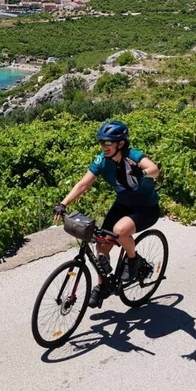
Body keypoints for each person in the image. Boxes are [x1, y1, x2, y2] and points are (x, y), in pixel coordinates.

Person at [54, 120, 162, 308]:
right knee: (101, 246)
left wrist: (141, 173)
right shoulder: (102, 161)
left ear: (120, 143)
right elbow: (83, 184)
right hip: (122, 205)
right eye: (102, 142)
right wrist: (63, 203)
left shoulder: (132, 156)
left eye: (108, 142)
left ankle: (133, 259)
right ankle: (102, 286)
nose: (104, 146)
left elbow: (155, 170)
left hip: (146, 208)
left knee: (119, 231)